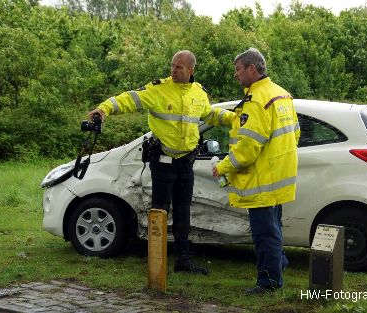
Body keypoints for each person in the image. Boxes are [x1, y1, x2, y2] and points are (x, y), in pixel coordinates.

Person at [88, 50, 234, 275]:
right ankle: (156, 260)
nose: (173, 70)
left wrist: (235, 118)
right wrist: (104, 109)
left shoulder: (199, 92)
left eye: (179, 67)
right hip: (163, 161)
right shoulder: (158, 89)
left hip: (186, 161)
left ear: (191, 70)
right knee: (160, 210)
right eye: (172, 66)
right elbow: (129, 99)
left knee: (184, 211)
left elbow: (210, 115)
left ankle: (182, 260)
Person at [212, 48, 300, 293]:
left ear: (252, 68)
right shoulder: (282, 95)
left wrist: (223, 166)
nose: (236, 75)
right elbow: (296, 133)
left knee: (265, 234)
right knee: (274, 228)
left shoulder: (256, 101)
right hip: (280, 177)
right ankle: (278, 264)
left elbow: (249, 147)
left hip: (263, 179)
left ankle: (269, 282)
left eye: (238, 70)